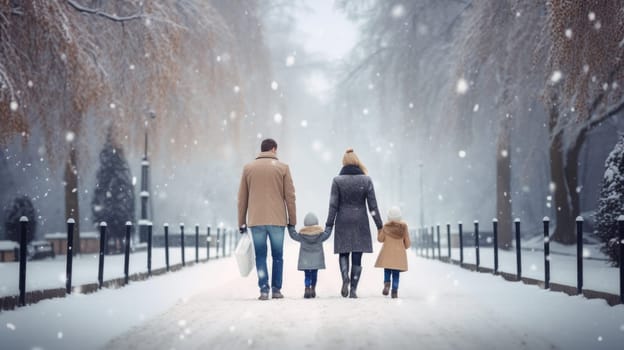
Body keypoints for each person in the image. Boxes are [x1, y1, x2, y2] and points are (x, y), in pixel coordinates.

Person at [238, 138, 297, 300]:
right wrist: (292, 220)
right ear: (273, 149)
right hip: (277, 221)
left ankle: (264, 289)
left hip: (256, 220)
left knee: (261, 256)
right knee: (278, 256)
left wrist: (241, 222)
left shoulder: (248, 169)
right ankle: (276, 289)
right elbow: (290, 197)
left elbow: (242, 199)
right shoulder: (283, 168)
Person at [325, 148, 383, 298]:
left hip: (343, 220)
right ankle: (353, 289)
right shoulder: (366, 180)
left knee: (343, 252)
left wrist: (329, 225)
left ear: (344, 162)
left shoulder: (337, 181)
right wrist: (379, 225)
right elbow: (373, 206)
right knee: (357, 253)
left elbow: (333, 205)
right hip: (360, 221)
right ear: (357, 161)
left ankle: (345, 278)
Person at [287, 212, 332, 298]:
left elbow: (293, 235)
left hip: (305, 260)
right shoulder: (320, 235)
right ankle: (313, 288)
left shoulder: (302, 235)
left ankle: (307, 288)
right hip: (316, 259)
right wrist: (329, 226)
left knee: (307, 274)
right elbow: (327, 233)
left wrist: (290, 227)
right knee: (314, 273)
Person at [374, 206, 411, 299]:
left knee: (387, 270)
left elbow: (380, 239)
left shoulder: (386, 227)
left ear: (389, 217)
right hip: (398, 256)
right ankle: (394, 290)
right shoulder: (404, 228)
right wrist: (402, 245)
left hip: (387, 255)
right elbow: (407, 244)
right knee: (396, 273)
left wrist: (379, 230)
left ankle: (386, 285)